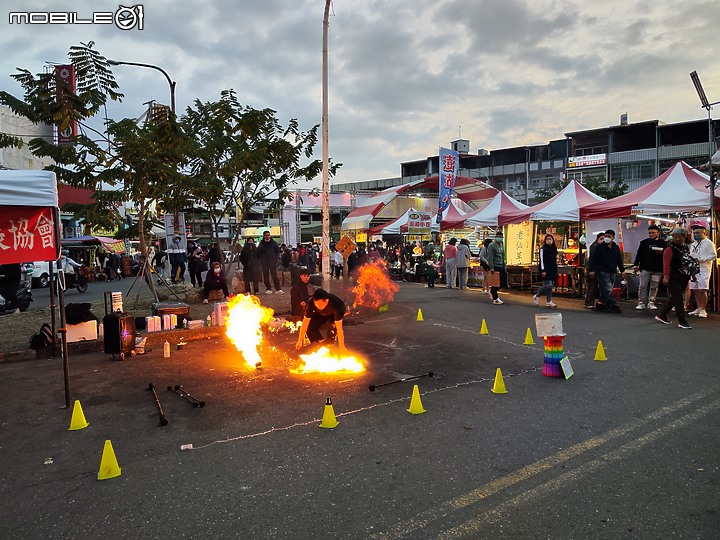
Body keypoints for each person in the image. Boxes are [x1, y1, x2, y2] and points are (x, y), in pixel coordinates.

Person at [655, 228, 693, 329]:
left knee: (675, 298)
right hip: (673, 276)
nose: (677, 238)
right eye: (675, 236)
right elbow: (666, 264)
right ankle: (682, 321)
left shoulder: (685, 247)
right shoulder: (669, 249)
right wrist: (666, 276)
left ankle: (661, 315)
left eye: (679, 236)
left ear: (684, 237)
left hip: (683, 276)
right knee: (679, 299)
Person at [589, 229, 625, 313]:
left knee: (604, 289)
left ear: (613, 237)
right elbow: (593, 259)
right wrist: (592, 270)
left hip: (612, 270)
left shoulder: (615, 247)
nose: (607, 238)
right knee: (608, 288)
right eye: (606, 236)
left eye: (609, 236)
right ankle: (612, 304)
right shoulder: (599, 247)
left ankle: (600, 303)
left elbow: (619, 259)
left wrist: (622, 270)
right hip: (602, 271)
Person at [687, 223, 716, 318]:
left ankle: (703, 309)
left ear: (704, 233)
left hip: (704, 269)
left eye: (698, 233)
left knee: (702, 289)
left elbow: (713, 256)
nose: (696, 235)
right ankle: (699, 307)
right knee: (695, 289)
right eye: (694, 233)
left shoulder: (709, 243)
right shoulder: (693, 244)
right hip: (694, 269)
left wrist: (700, 259)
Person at [633, 225, 665, 310]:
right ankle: (641, 302)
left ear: (658, 233)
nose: (651, 234)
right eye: (650, 233)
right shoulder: (644, 242)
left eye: (653, 233)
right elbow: (639, 254)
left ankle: (651, 301)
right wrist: (636, 264)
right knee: (643, 285)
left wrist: (660, 253)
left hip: (657, 269)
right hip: (645, 268)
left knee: (654, 286)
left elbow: (666, 256)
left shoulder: (663, 243)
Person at [533, 234, 558, 307]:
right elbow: (542, 261)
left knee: (551, 285)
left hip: (553, 269)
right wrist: (543, 270)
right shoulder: (543, 249)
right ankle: (537, 295)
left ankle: (548, 301)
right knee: (548, 285)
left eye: (550, 239)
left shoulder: (554, 249)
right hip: (546, 269)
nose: (549, 241)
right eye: (547, 239)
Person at [584, 232, 604, 309]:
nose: (602, 240)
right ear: (597, 239)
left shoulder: (601, 247)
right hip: (592, 269)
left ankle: (591, 302)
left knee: (593, 287)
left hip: (598, 269)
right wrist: (592, 270)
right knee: (592, 286)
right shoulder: (594, 246)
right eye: (601, 238)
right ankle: (589, 302)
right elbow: (593, 259)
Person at [487, 232, 507, 305]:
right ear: (495, 237)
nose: (500, 238)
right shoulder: (491, 246)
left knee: (504, 282)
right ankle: (495, 298)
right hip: (495, 266)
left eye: (501, 237)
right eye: (498, 236)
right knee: (495, 283)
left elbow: (503, 255)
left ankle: (492, 291)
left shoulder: (501, 245)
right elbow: (490, 257)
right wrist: (491, 267)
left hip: (501, 265)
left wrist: (504, 264)